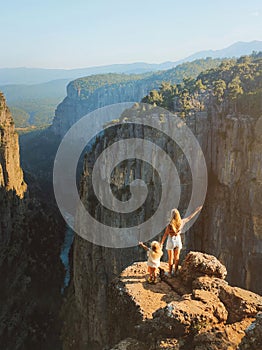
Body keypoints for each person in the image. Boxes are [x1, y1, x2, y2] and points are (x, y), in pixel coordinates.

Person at [160, 206, 202, 277]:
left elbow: (165, 234)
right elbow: (190, 217)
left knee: (171, 258)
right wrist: (196, 210)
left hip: (171, 240)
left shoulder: (170, 225)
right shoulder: (181, 222)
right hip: (178, 240)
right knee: (177, 257)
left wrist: (161, 243)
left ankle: (170, 273)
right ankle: (175, 272)